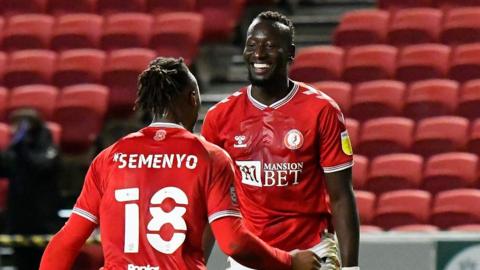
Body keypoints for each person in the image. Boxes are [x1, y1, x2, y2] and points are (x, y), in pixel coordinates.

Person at [40, 57, 322, 270]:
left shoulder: (110, 157)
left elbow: (67, 241)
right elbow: (233, 241)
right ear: (192, 98)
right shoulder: (210, 157)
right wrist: (289, 261)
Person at [201, 11, 360, 270]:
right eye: (252, 45)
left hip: (312, 251)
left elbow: (341, 196)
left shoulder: (321, 111)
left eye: (270, 46)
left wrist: (351, 267)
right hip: (252, 256)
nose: (259, 54)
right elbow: (210, 204)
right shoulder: (219, 118)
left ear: (290, 53)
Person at [0, 108, 62, 270]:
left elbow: (42, 166)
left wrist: (24, 148)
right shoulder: (16, 149)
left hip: (43, 220)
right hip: (19, 220)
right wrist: (17, 147)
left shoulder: (46, 145)